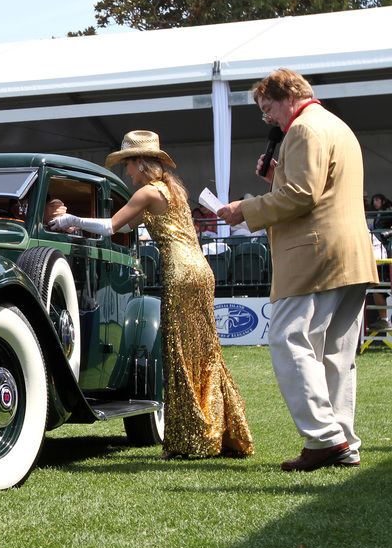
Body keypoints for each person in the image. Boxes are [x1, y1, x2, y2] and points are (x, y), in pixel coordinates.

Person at [51, 130, 253, 459]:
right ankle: (218, 431)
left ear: (142, 164)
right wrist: (78, 225)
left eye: (128, 165)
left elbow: (110, 227)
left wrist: (68, 220)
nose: (126, 172)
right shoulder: (171, 191)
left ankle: (195, 438)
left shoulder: (146, 193)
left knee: (178, 353)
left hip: (181, 274)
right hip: (201, 272)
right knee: (203, 352)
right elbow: (127, 227)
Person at [217, 68, 377, 471]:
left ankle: (325, 438)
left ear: (288, 95)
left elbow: (304, 195)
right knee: (335, 354)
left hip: (315, 256)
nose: (267, 117)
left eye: (268, 107)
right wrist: (277, 176)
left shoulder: (304, 130)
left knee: (288, 339)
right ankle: (342, 441)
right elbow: (318, 188)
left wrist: (245, 209)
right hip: (350, 256)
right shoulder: (335, 126)